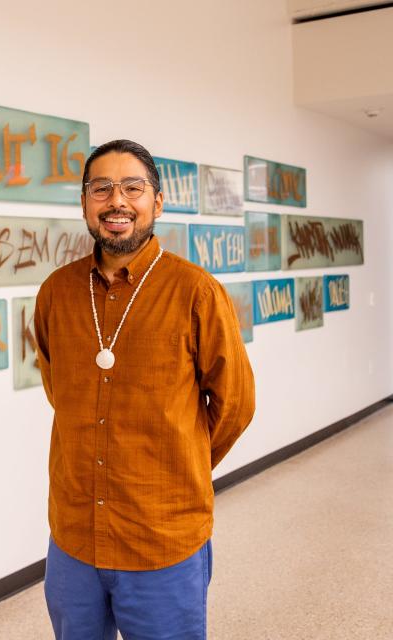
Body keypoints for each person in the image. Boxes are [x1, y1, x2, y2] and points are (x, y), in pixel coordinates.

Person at [33, 139, 256, 640]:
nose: (117, 201)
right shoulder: (56, 293)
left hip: (161, 539)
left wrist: (176, 465)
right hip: (74, 538)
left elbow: (235, 405)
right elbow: (61, 393)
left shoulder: (196, 292)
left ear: (156, 202)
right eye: (101, 188)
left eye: (133, 187)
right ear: (85, 203)